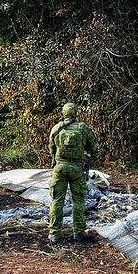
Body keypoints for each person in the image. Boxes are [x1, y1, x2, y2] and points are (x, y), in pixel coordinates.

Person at [48, 103, 99, 243]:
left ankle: (54, 234)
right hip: (77, 168)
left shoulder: (56, 128)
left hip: (60, 167)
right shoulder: (83, 128)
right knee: (79, 201)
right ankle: (79, 233)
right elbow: (94, 148)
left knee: (57, 201)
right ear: (76, 113)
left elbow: (51, 149)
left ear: (63, 113)